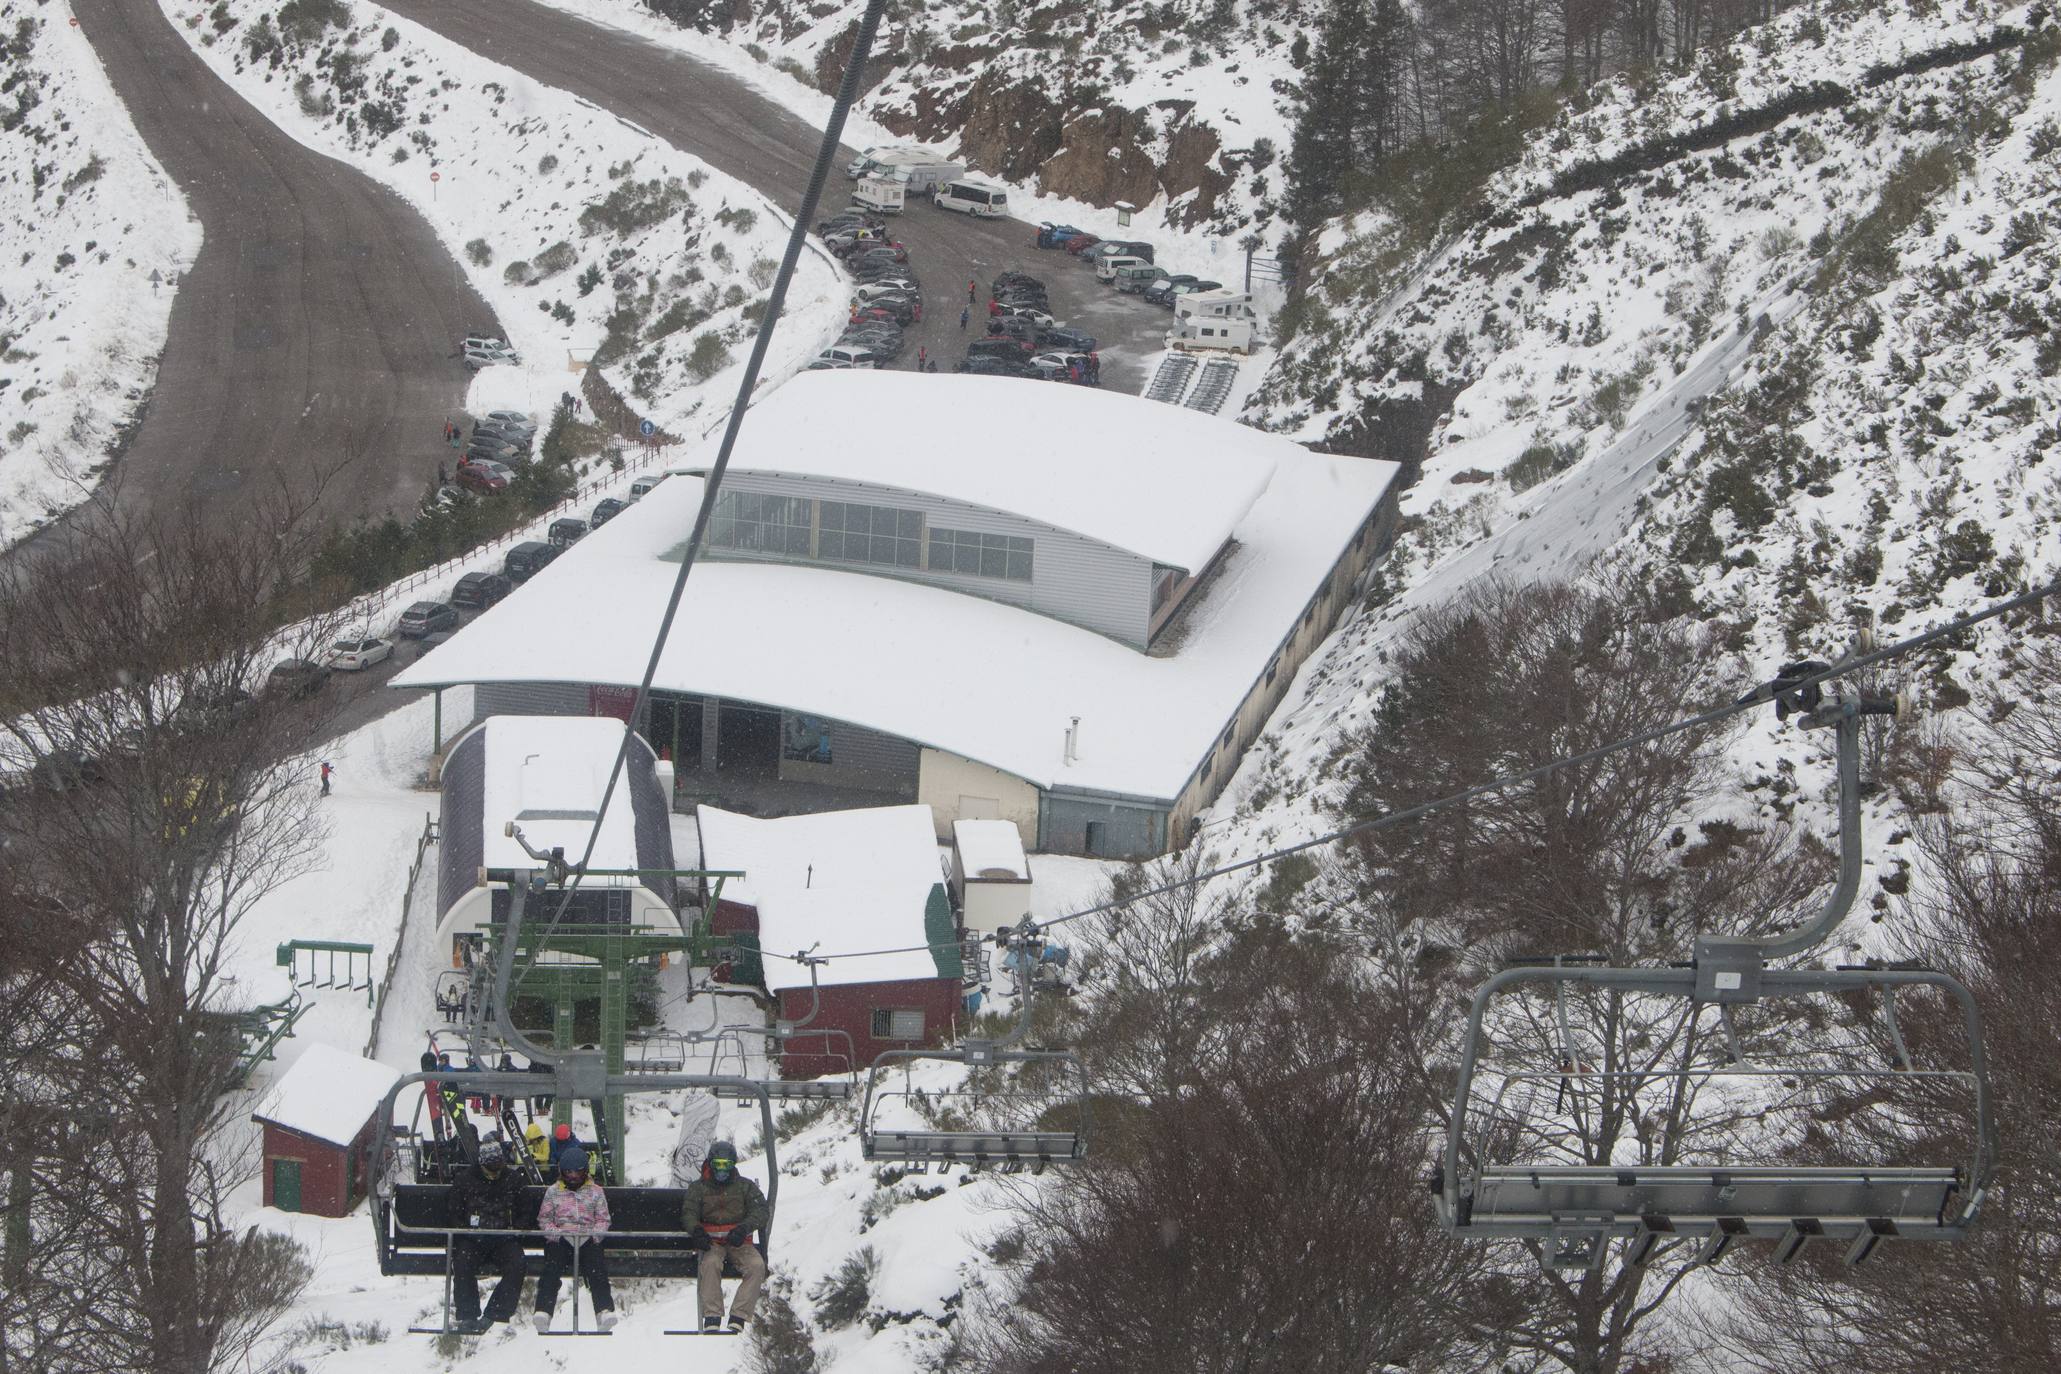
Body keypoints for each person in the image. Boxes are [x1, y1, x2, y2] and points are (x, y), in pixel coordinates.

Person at [681, 1140, 769, 1332]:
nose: (722, 1171)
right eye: (718, 1165)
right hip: (711, 1242)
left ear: (733, 1165)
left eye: (726, 1165)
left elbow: (761, 1210)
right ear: (710, 1164)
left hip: (738, 1242)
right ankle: (712, 1316)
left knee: (756, 1266)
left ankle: (739, 1315)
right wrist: (696, 1230)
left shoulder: (744, 1187)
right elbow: (689, 1212)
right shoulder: (699, 1188)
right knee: (710, 1264)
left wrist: (744, 1228)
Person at [533, 1147, 615, 1333]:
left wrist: (595, 1235)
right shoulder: (554, 1192)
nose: (572, 1176)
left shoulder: (595, 1192)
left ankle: (604, 1310)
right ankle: (543, 1311)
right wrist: (555, 1234)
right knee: (551, 1268)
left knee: (597, 1269)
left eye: (577, 1172)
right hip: (562, 1238)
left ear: (584, 1171)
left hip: (587, 1238)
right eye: (568, 1172)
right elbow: (544, 1218)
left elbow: (603, 1219)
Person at [449, 1140, 527, 1334]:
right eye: (490, 1167)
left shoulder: (513, 1180)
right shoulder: (465, 1180)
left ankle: (496, 1312)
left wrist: (515, 1228)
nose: (495, 1171)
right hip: (474, 1238)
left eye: (498, 1165)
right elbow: (454, 1210)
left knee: (517, 1264)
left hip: (504, 1238)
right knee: (462, 1263)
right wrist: (464, 1230)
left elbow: (525, 1210)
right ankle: (467, 1314)